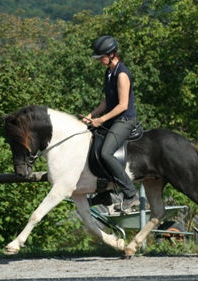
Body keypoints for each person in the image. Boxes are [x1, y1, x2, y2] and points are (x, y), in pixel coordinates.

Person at [83, 35, 139, 211]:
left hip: (125, 120)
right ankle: (104, 191)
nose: (100, 60)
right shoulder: (108, 72)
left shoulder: (122, 74)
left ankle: (130, 193)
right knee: (93, 143)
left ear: (112, 54)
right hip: (113, 119)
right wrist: (90, 116)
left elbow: (122, 105)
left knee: (106, 153)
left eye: (101, 57)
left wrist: (101, 119)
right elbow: (107, 102)